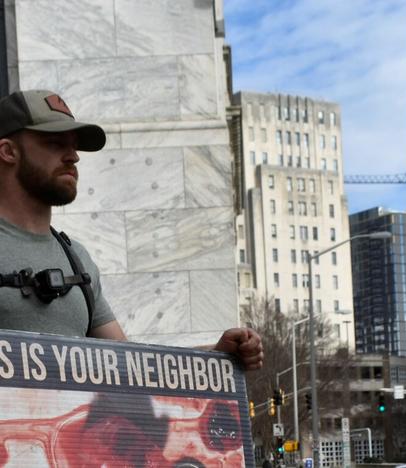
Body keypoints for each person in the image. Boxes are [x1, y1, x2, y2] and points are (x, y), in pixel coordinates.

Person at [0, 89, 263, 370]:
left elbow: (129, 367)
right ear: (8, 151)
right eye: (54, 143)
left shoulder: (76, 259)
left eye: (74, 145)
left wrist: (217, 357)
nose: (73, 157)